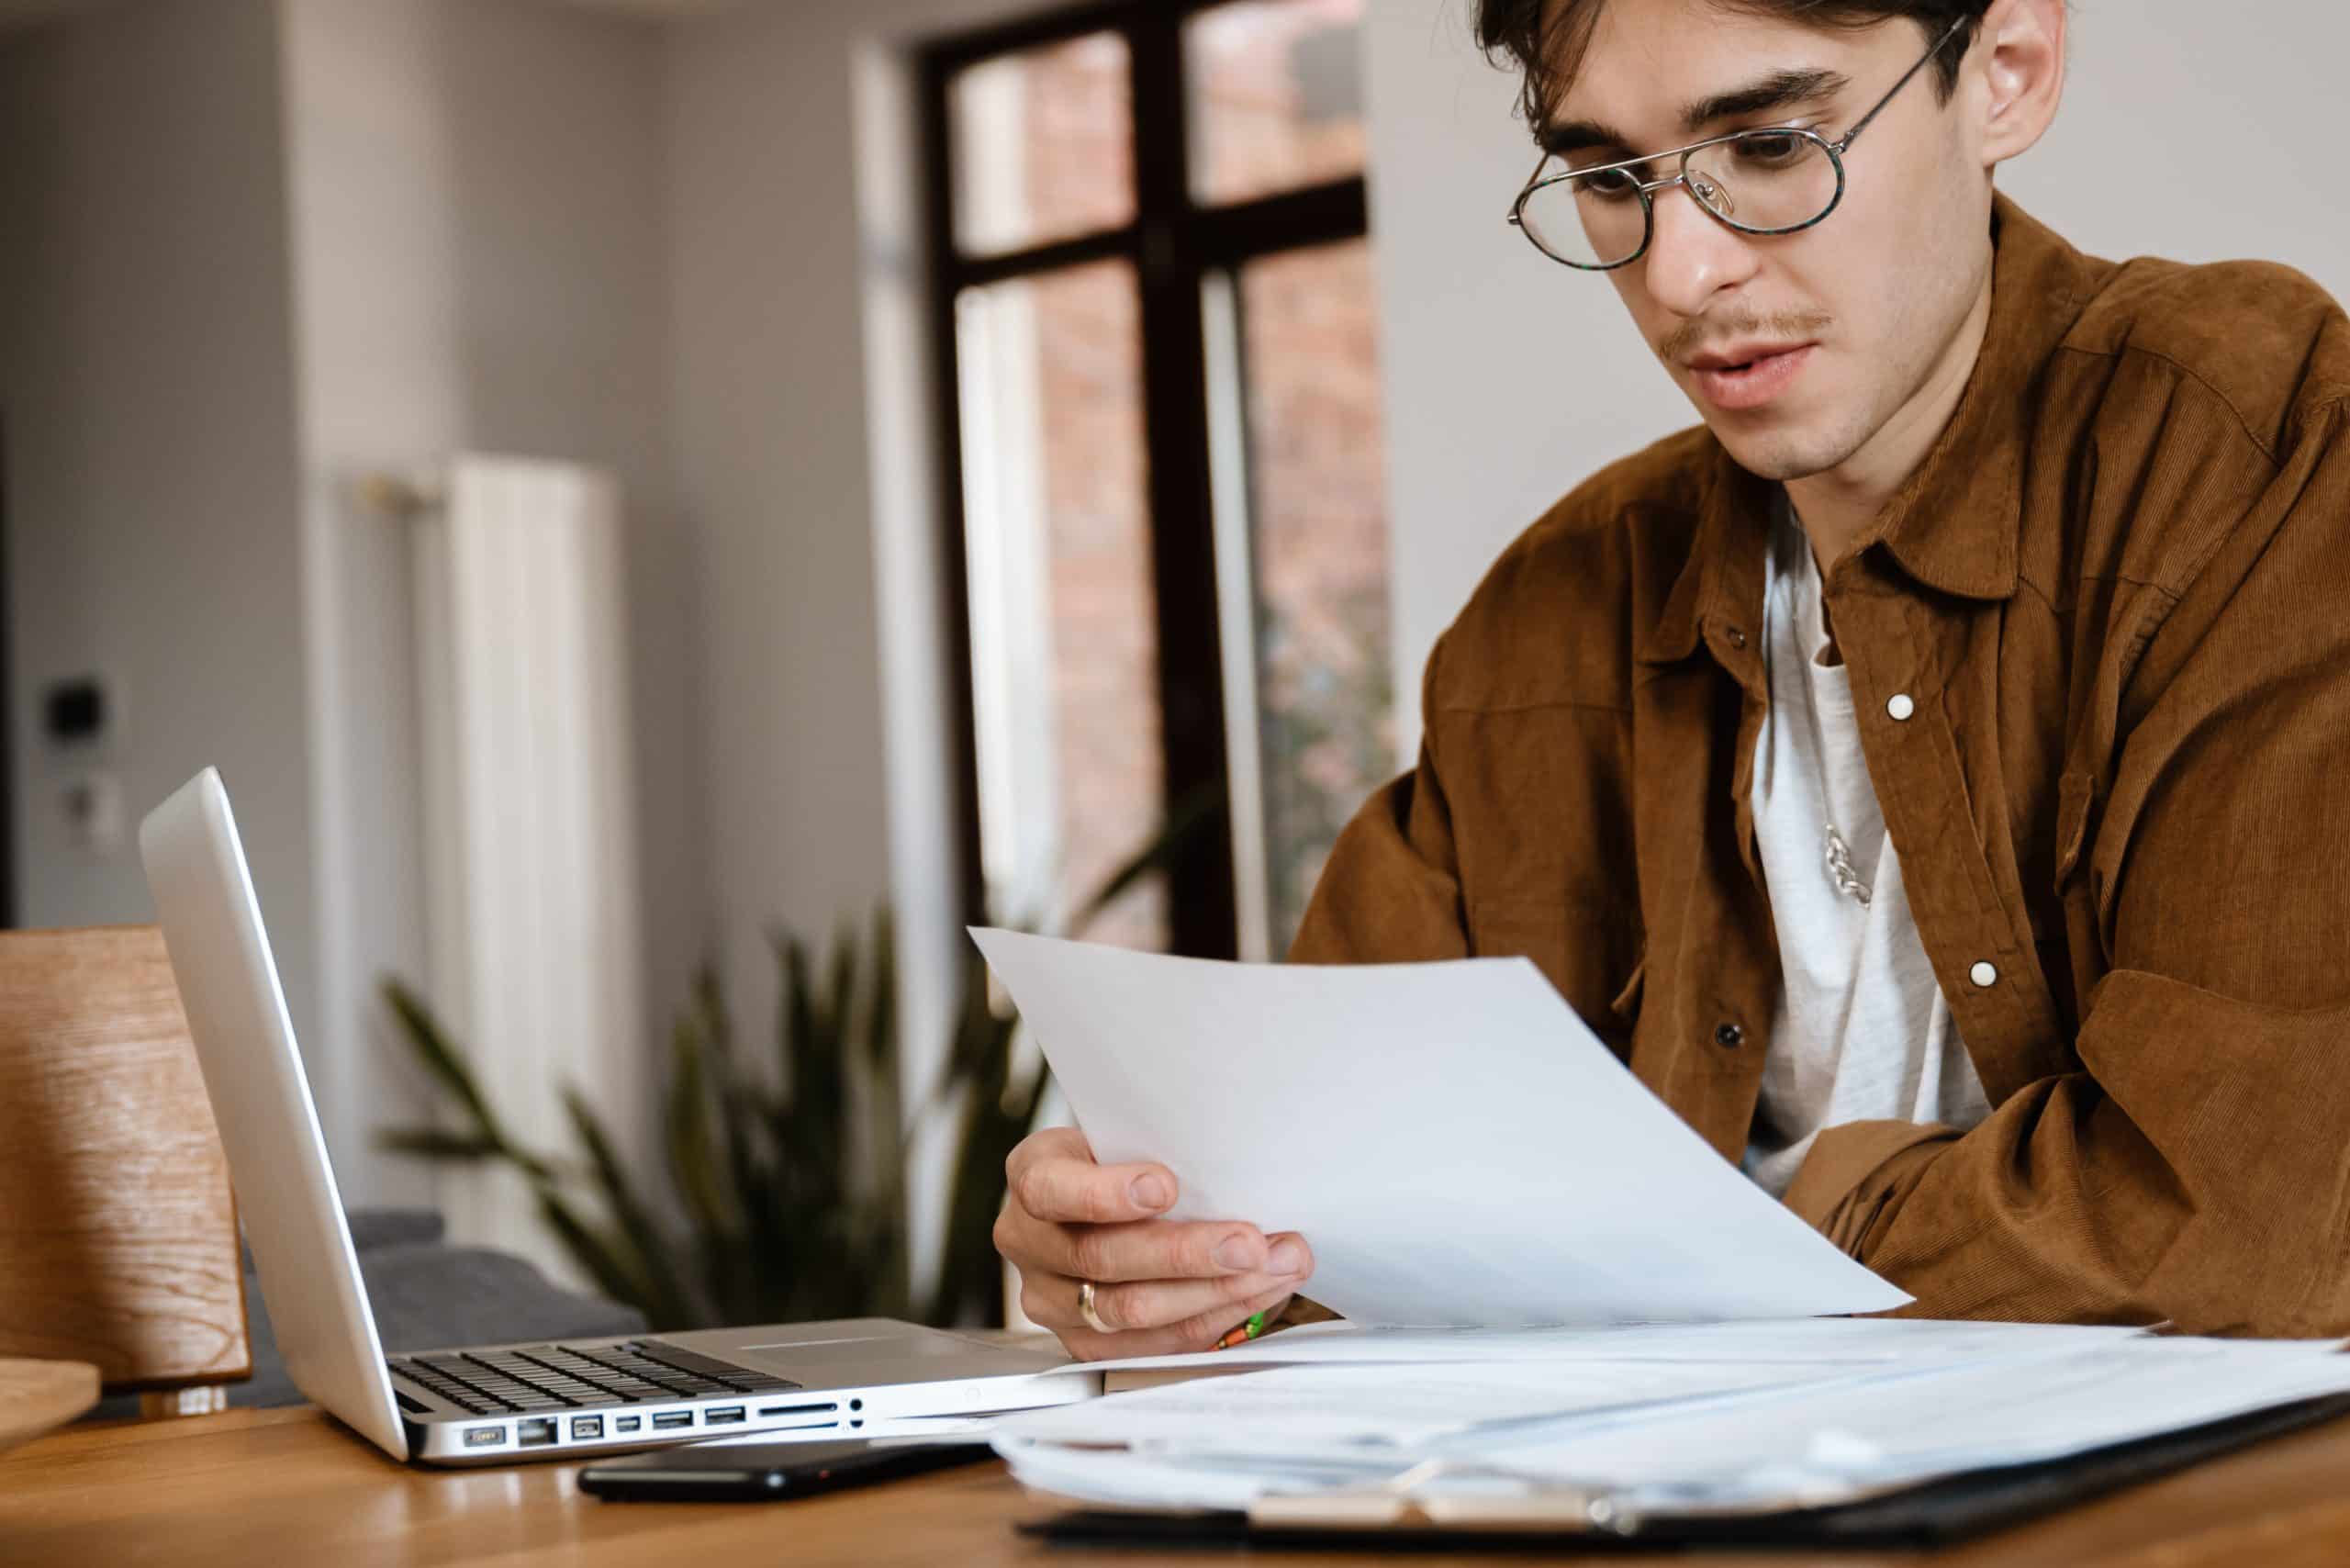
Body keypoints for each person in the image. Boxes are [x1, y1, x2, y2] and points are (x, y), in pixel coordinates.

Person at [994, 0, 2350, 1359]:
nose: (1682, 273)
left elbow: (2257, 1217)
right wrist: (1166, 1258)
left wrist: (1790, 1215)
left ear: (2006, 71)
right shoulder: (1554, 610)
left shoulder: (2257, 441)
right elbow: (1322, 1214)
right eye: (1609, 179)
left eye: (1766, 145)